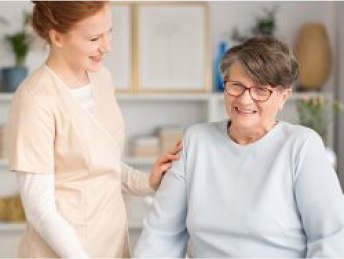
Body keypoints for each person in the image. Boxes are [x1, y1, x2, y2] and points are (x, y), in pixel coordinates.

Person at [134, 36, 344, 258]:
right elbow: (161, 233)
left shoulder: (301, 146)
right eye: (236, 86)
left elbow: (331, 237)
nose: (245, 100)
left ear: (284, 96)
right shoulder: (196, 141)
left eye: (261, 90)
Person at [6, 1, 181, 258]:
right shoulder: (35, 99)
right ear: (57, 37)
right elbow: (39, 209)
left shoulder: (101, 78)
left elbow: (103, 164)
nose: (107, 46)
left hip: (110, 243)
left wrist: (147, 181)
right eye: (94, 38)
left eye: (109, 32)